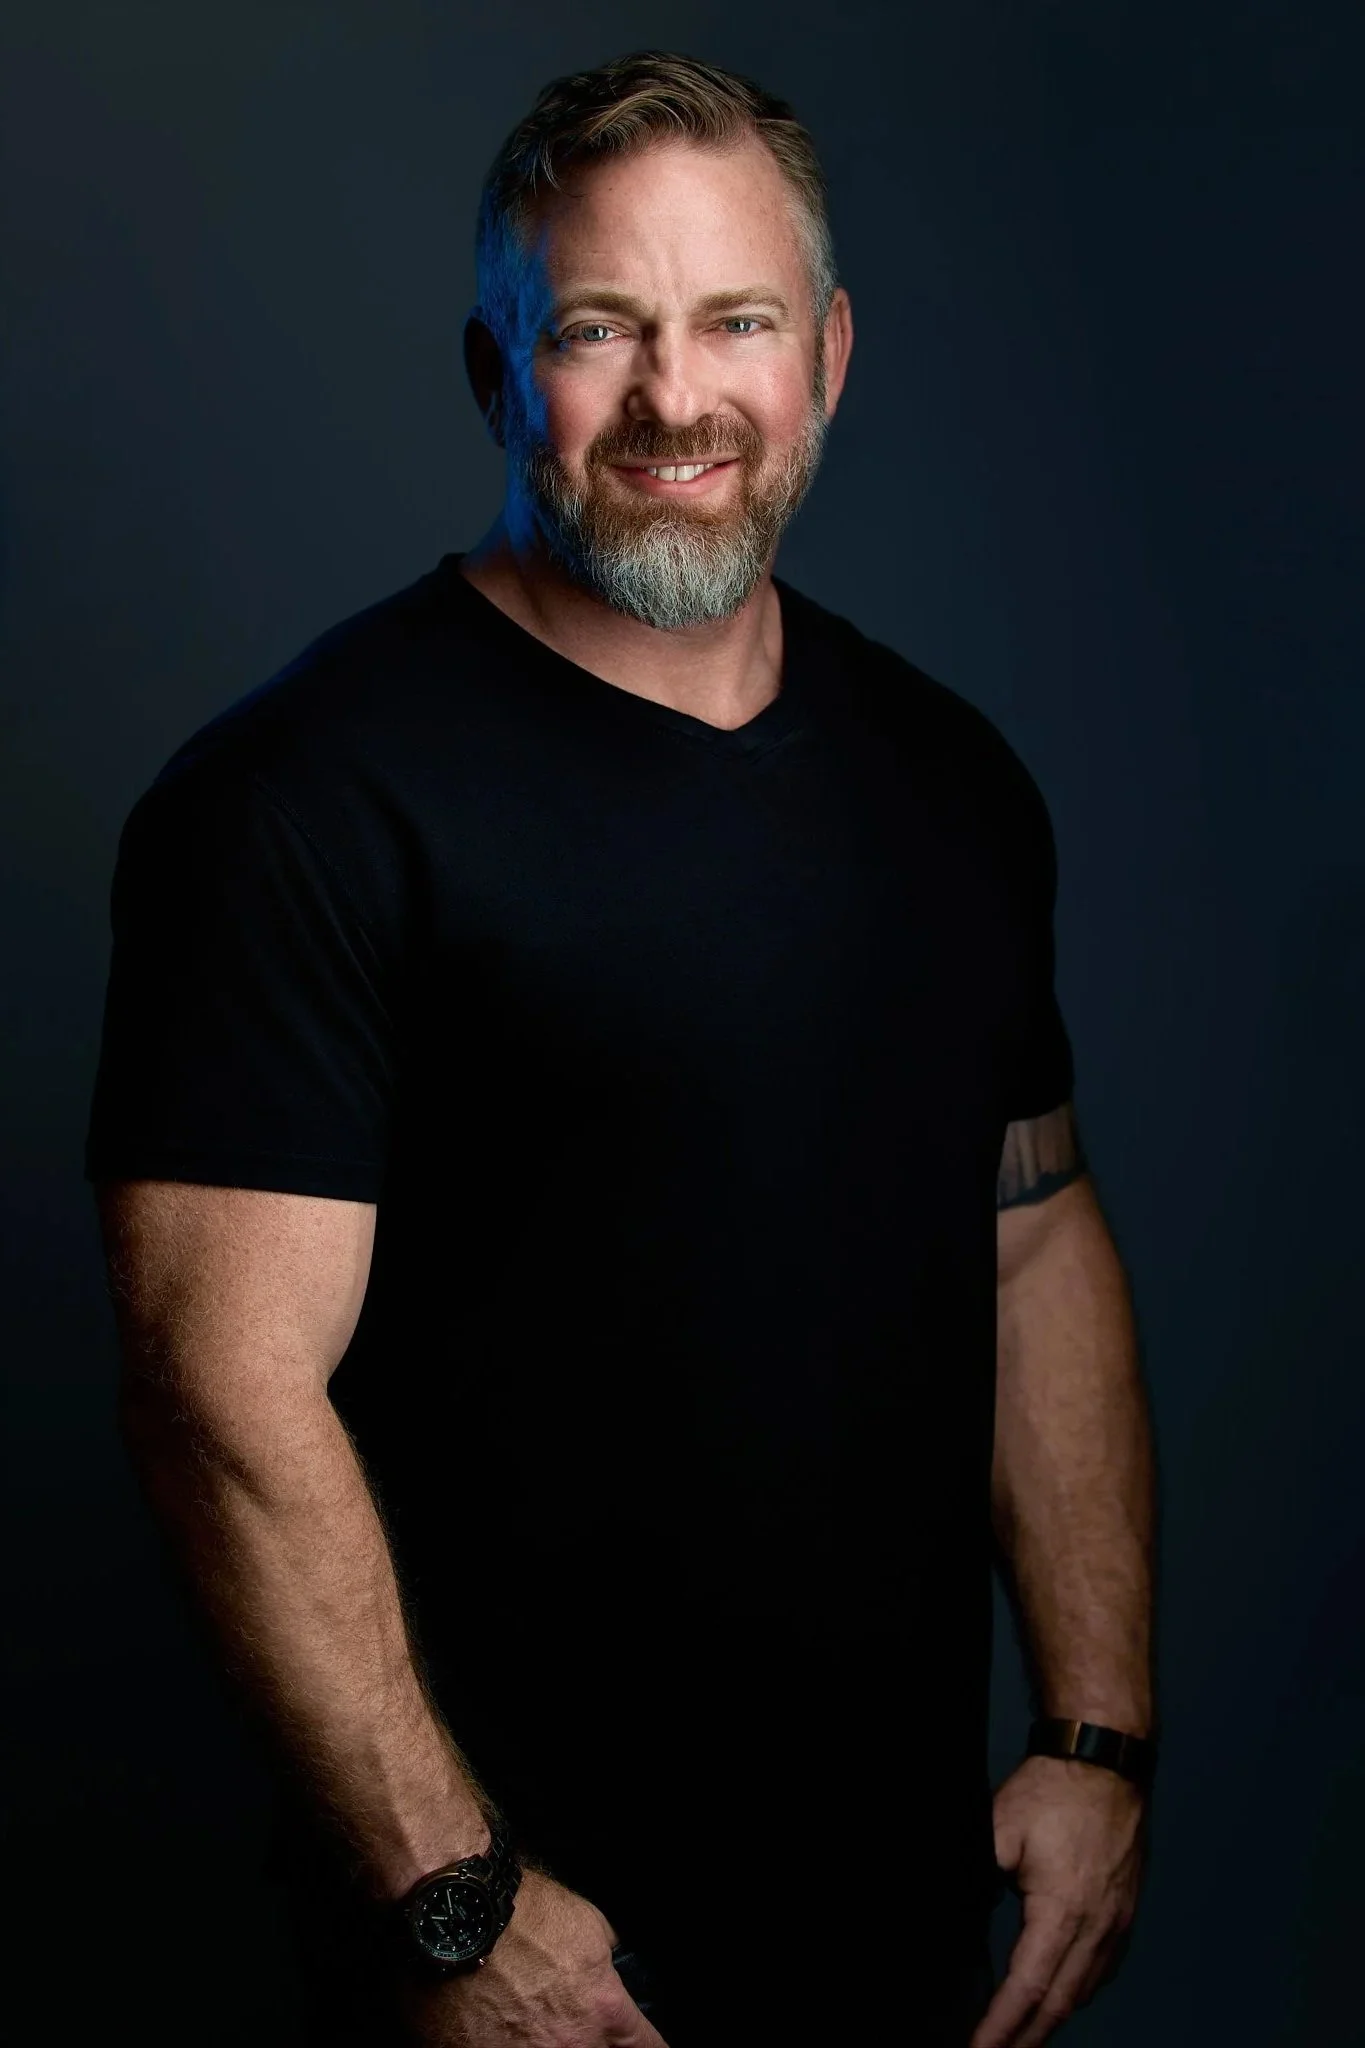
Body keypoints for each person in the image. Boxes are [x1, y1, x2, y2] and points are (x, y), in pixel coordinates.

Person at [85, 47, 1157, 2048]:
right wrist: (451, 1895)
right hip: (501, 1958)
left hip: (903, 1939)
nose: (678, 399)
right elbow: (212, 1391)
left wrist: (1097, 1727)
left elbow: (1030, 1229)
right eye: (599, 329)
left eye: (735, 320)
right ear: (501, 374)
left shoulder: (949, 784)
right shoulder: (303, 808)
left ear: (824, 356)